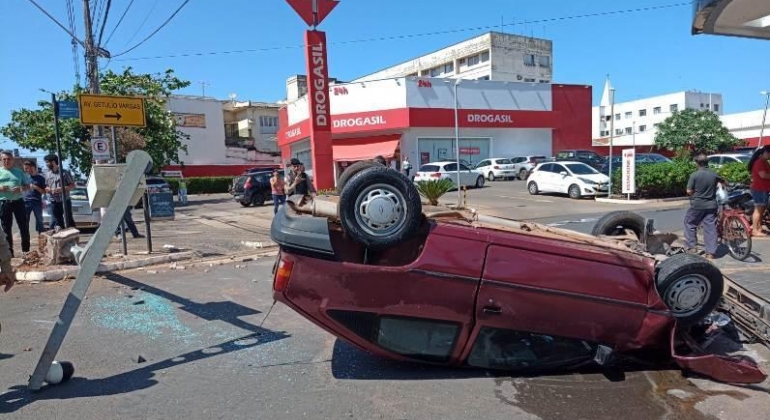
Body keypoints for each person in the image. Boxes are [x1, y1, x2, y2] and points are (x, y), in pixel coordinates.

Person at [684, 152, 726, 259]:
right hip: (712, 205)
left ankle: (692, 247)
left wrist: (695, 193)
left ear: (697, 163)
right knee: (710, 227)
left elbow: (689, 191)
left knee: (690, 223)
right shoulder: (714, 174)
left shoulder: (694, 175)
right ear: (707, 163)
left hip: (697, 205)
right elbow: (724, 182)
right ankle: (710, 253)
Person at [0, 151, 31, 257]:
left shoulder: (19, 172)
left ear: (12, 160)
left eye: (8, 159)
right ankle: (10, 253)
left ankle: (26, 251)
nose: (6, 161)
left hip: (18, 202)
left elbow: (28, 186)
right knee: (6, 229)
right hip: (4, 203)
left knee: (24, 226)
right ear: (1, 160)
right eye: (4, 159)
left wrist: (20, 188)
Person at [43, 154, 76, 229]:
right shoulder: (47, 174)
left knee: (69, 220)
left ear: (53, 162)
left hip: (64, 200)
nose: (46, 164)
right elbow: (46, 186)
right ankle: (61, 238)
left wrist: (63, 189)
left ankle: (73, 237)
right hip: (53, 201)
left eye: (48, 162)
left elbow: (73, 185)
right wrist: (48, 189)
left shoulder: (64, 173)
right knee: (56, 222)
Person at [748, 145, 770, 237]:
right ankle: (755, 230)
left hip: (763, 189)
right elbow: (763, 175)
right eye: (769, 153)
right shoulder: (760, 162)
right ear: (764, 153)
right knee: (758, 210)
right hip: (759, 189)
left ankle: (759, 227)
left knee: (761, 210)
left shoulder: (764, 162)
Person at [23, 161, 46, 235]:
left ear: (33, 167)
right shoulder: (25, 177)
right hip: (26, 202)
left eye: (27, 168)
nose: (26, 170)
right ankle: (26, 238)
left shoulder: (41, 178)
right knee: (25, 221)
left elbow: (44, 192)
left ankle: (41, 239)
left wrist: (36, 187)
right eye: (25, 168)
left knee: (39, 221)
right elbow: (21, 189)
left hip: (36, 202)